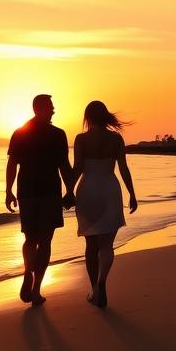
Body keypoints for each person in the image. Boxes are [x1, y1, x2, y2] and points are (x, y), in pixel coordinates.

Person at [5, 94, 76, 306]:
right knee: (44, 241)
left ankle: (28, 272)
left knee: (30, 238)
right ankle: (36, 289)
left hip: (27, 191)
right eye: (51, 107)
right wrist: (71, 190)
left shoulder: (20, 132)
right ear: (41, 109)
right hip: (48, 192)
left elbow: (12, 164)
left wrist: (8, 190)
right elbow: (64, 166)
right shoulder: (58, 134)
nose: (54, 110)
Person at [71, 100, 137, 309]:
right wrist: (132, 194)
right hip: (110, 190)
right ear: (105, 116)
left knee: (91, 245)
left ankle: (95, 289)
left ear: (88, 118)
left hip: (88, 191)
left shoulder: (81, 139)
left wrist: (67, 192)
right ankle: (102, 283)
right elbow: (124, 169)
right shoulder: (116, 139)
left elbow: (78, 168)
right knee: (106, 245)